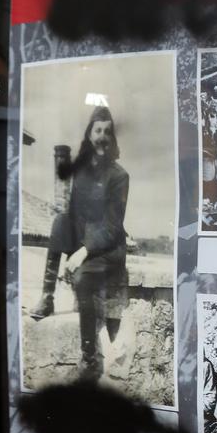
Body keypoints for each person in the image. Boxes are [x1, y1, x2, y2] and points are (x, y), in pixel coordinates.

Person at [28, 105, 129, 383]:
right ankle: (47, 297)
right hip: (84, 243)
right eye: (98, 130)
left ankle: (90, 361)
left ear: (112, 139)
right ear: (89, 134)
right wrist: (72, 251)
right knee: (61, 220)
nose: (102, 137)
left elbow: (112, 228)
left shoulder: (120, 177)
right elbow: (75, 216)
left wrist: (82, 253)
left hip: (108, 249)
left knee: (83, 278)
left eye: (108, 132)